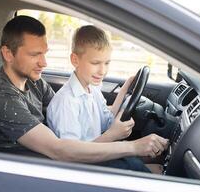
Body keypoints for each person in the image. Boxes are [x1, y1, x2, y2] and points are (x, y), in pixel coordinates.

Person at [0, 15, 168, 165]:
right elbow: (59, 150)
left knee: (158, 162)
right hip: (42, 172)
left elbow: (73, 112)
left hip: (56, 161)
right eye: (35, 55)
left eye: (45, 53)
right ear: (8, 54)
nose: (44, 63)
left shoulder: (34, 82)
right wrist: (133, 147)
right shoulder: (0, 97)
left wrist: (124, 92)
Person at [46, 25, 151, 172]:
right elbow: (73, 155)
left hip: (98, 158)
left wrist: (125, 91)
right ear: (75, 60)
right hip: (84, 169)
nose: (102, 71)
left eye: (106, 63)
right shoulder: (66, 102)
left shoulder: (92, 89)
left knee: (147, 161)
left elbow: (106, 120)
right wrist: (112, 135)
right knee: (138, 168)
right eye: (95, 63)